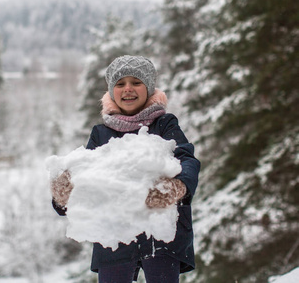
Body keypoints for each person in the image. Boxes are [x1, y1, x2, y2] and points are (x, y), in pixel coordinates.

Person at [51, 55, 200, 283]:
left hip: (160, 234)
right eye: (120, 84)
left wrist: (177, 187)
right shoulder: (100, 134)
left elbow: (187, 159)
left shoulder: (165, 124)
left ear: (148, 88)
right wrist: (64, 196)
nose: (128, 89)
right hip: (114, 235)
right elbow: (84, 175)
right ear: (112, 91)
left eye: (136, 82)